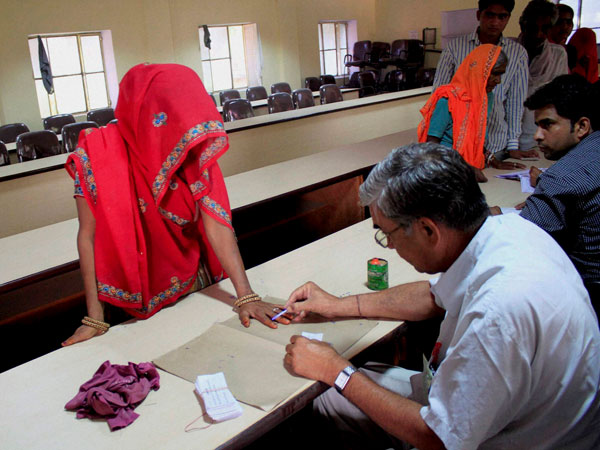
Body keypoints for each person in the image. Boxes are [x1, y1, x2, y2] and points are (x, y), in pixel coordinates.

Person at [282, 143, 600, 449]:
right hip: (517, 416)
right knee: (343, 389)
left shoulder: (498, 312)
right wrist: (337, 306)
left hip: (517, 440)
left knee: (334, 389)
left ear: (428, 230)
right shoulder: (510, 230)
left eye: (386, 234)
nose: (388, 246)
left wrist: (334, 370)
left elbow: (439, 438)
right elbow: (434, 298)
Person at [62, 64, 289, 346]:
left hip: (193, 280)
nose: (180, 133)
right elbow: (89, 237)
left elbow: (217, 224)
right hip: (135, 287)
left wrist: (245, 295)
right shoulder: (97, 153)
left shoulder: (190, 147)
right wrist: (95, 318)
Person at [518, 74, 600, 316]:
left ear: (582, 126)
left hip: (587, 298)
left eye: (547, 125)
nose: (537, 136)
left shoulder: (560, 178)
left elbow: (520, 241)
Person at [433, 0, 535, 163]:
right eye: (490, 15)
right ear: (479, 14)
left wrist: (513, 145)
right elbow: (438, 94)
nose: (495, 22)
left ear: (509, 18)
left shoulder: (517, 53)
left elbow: (515, 101)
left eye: (502, 17)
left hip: (494, 146)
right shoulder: (454, 48)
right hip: (455, 151)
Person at [419, 45, 525, 182]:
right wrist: (464, 168)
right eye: (495, 73)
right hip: (445, 174)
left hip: (473, 171)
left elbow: (476, 138)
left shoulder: (487, 97)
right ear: (479, 70)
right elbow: (431, 146)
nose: (498, 81)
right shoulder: (449, 98)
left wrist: (493, 160)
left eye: (501, 74)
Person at [517, 0, 569, 152]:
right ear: (523, 25)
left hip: (536, 138)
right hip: (503, 137)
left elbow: (559, 99)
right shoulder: (507, 50)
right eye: (533, 28)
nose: (538, 34)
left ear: (551, 29)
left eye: (545, 29)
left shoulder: (557, 55)